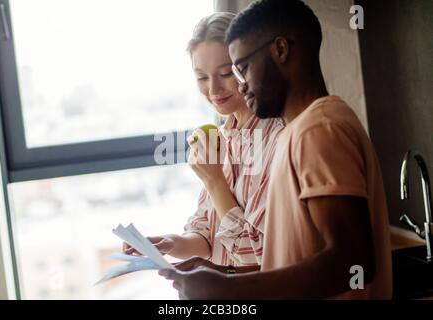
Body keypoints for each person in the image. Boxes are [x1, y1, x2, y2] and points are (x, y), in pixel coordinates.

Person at [160, 0, 392, 300]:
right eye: (202, 76)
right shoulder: (302, 130)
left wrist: (229, 288)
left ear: (280, 50)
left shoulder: (318, 130)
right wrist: (225, 273)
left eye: (241, 68)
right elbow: (289, 260)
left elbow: (351, 263)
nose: (240, 86)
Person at [124, 12, 284, 269]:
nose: (213, 90)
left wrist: (214, 179)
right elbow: (207, 236)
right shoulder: (221, 137)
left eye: (225, 74)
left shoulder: (277, 139)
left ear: (246, 68)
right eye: (201, 77)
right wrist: (169, 243)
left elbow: (255, 254)